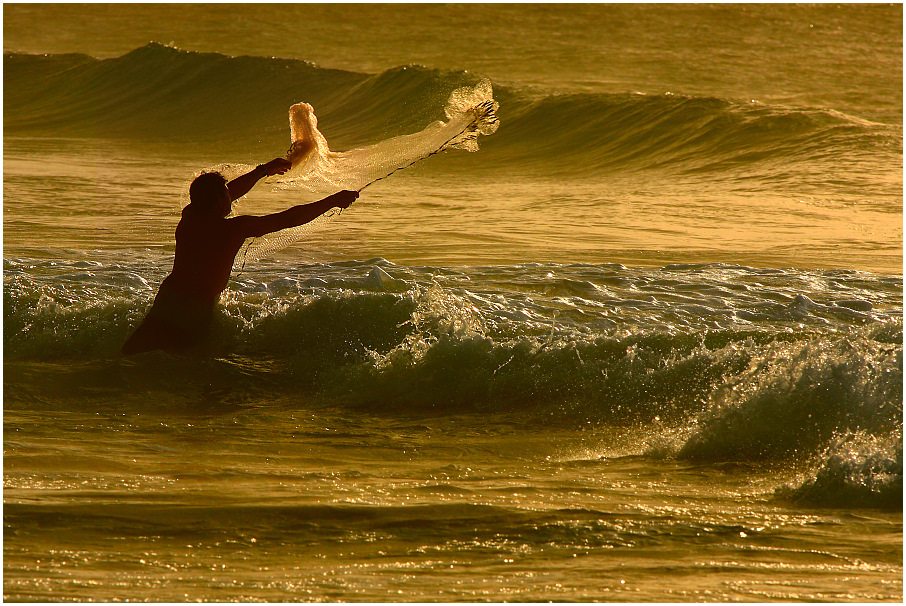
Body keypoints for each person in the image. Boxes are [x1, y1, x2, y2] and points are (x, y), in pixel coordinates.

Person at [121, 157, 358, 354]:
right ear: (217, 203)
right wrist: (333, 200)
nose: (231, 198)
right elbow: (288, 219)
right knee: (185, 366)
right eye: (225, 197)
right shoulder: (232, 229)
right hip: (194, 311)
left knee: (134, 354)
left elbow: (227, 192)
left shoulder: (190, 215)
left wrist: (263, 171)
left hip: (168, 299)